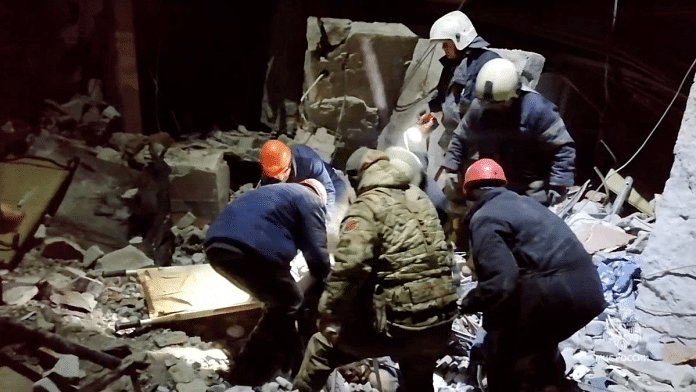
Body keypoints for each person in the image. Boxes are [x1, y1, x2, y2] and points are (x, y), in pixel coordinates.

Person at [292, 148, 459, 392]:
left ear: (356, 177)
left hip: (406, 324)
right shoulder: (419, 197)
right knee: (417, 370)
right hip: (443, 321)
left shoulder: (366, 206)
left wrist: (328, 313)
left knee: (323, 346)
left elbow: (350, 267)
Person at [458, 158, 606, 392]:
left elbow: (501, 282)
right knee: (537, 348)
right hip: (588, 289)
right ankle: (550, 378)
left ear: (469, 194)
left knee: (505, 360)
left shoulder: (484, 217)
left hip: (557, 293)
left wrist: (468, 302)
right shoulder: (523, 203)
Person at [204, 179, 331, 386]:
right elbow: (318, 257)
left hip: (216, 246)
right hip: (251, 247)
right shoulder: (311, 200)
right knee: (290, 302)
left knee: (279, 300)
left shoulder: (278, 194)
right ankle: (253, 370)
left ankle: (273, 361)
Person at [437, 58, 576, 207]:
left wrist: (558, 186)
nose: (493, 109)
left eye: (499, 105)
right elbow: (461, 138)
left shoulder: (539, 110)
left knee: (526, 217)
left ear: (515, 93)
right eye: (489, 106)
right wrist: (449, 168)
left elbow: (562, 148)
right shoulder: (480, 106)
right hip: (493, 178)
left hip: (530, 183)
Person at [415, 10, 501, 151]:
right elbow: (444, 96)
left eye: (446, 43)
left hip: (478, 146)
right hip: (456, 140)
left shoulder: (488, 63)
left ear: (459, 40)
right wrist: (431, 111)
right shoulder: (452, 65)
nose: (443, 47)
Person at [259, 140, 350, 222]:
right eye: (276, 176)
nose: (281, 178)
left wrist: (325, 221)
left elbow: (329, 191)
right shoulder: (268, 170)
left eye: (283, 172)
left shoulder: (308, 160)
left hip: (334, 189)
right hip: (303, 194)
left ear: (289, 161)